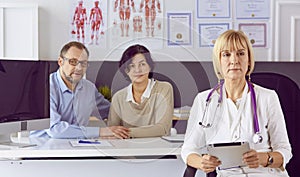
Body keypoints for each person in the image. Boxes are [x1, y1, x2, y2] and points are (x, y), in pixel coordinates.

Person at [181, 30, 292, 176]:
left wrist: (263, 158)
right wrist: (202, 162)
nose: (234, 61)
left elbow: (285, 150)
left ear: (249, 60)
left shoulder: (268, 97)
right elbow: (188, 150)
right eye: (226, 54)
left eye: (240, 53)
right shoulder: (204, 100)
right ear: (218, 61)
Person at [30, 41, 127, 139]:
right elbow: (55, 129)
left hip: (78, 148)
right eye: (73, 62)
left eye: (83, 63)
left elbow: (111, 111)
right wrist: (101, 131)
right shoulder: (44, 88)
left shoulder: (89, 89)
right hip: (43, 149)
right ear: (60, 62)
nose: (79, 68)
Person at [107, 44, 174, 138]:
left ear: (150, 67)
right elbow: (112, 131)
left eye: (142, 64)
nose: (137, 70)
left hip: (157, 149)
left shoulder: (164, 88)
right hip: (126, 150)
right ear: (126, 70)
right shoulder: (118, 97)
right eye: (132, 66)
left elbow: (162, 129)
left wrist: (125, 133)